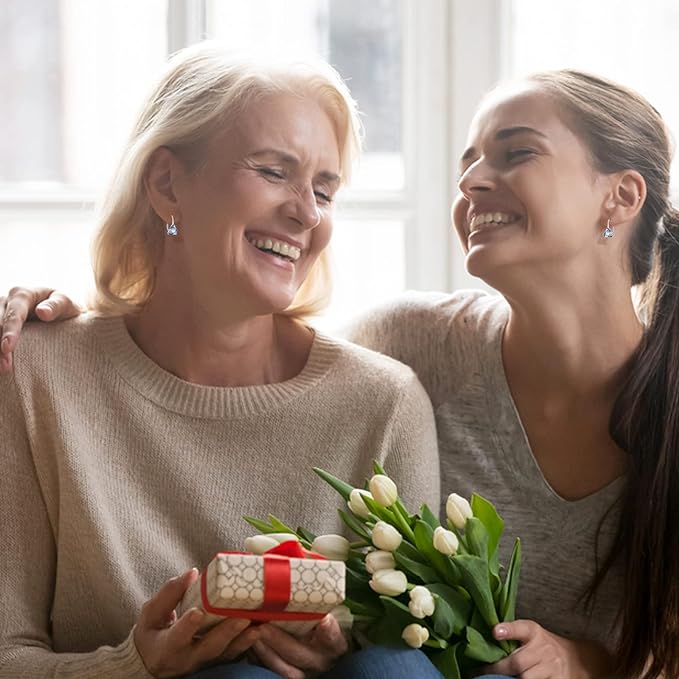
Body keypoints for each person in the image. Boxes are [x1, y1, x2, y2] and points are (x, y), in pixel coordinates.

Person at [4, 68, 679, 679]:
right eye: (467, 159)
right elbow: (212, 335)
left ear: (619, 197)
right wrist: (68, 320)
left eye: (516, 152)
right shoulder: (414, 345)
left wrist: (592, 661)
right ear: (166, 182)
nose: (470, 180)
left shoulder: (386, 391)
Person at [0, 43, 442, 679]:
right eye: (272, 171)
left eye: (324, 188)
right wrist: (136, 666)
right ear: (166, 183)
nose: (306, 212)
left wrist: (341, 646)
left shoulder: (383, 401)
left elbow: (414, 636)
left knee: (392, 667)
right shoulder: (39, 376)